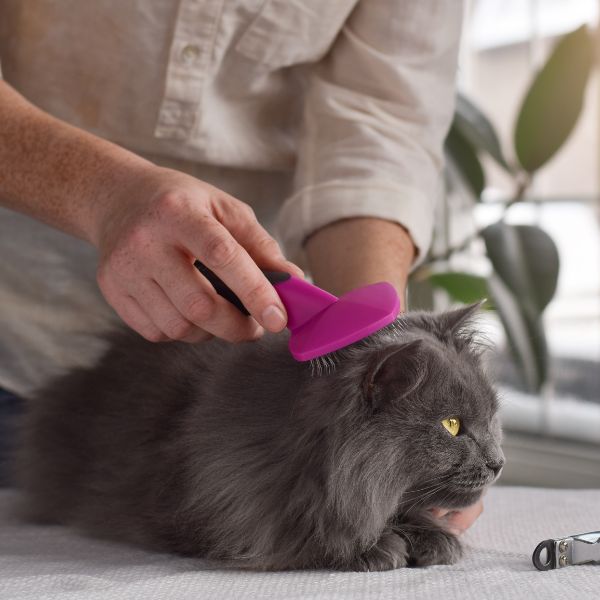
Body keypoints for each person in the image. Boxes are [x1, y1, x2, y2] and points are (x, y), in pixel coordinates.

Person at [0, 0, 481, 532]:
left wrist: (378, 398)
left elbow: (379, 127)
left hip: (252, 337)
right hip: (19, 337)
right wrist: (105, 194)